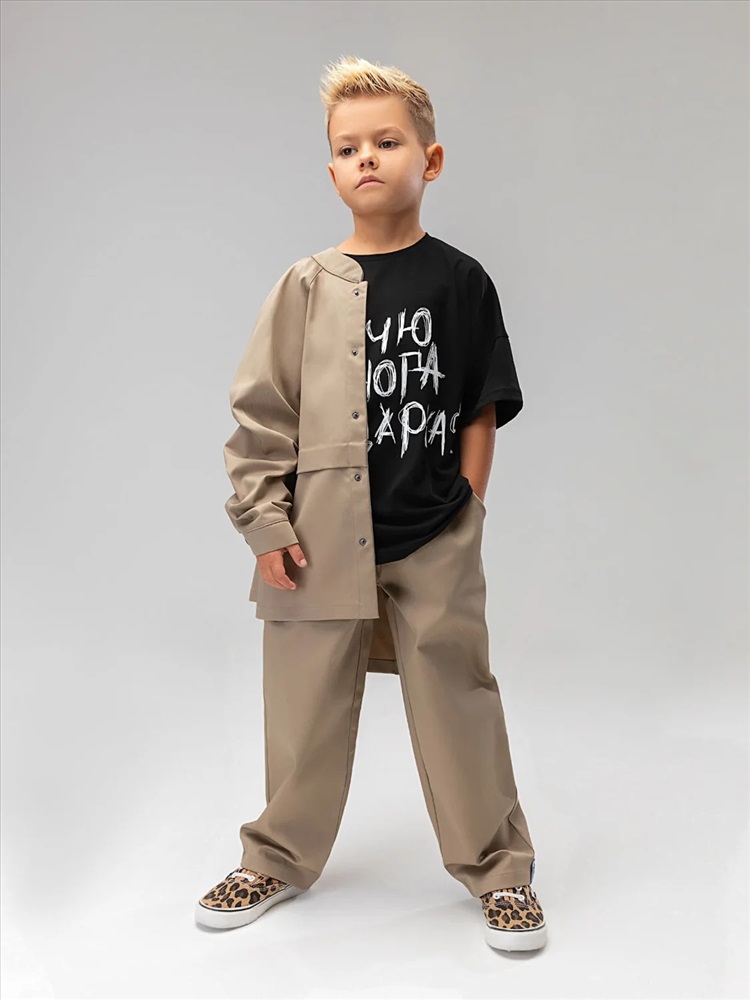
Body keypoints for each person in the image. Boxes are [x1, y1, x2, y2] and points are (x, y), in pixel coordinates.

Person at [195, 55, 547, 953]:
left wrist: (468, 509)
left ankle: (501, 872)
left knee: (459, 701)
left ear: (430, 160)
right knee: (302, 707)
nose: (367, 159)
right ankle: (274, 858)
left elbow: (479, 406)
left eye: (387, 142)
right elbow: (262, 415)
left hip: (434, 534)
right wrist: (264, 525)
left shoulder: (461, 281)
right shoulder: (305, 286)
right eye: (349, 147)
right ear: (331, 171)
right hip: (317, 539)